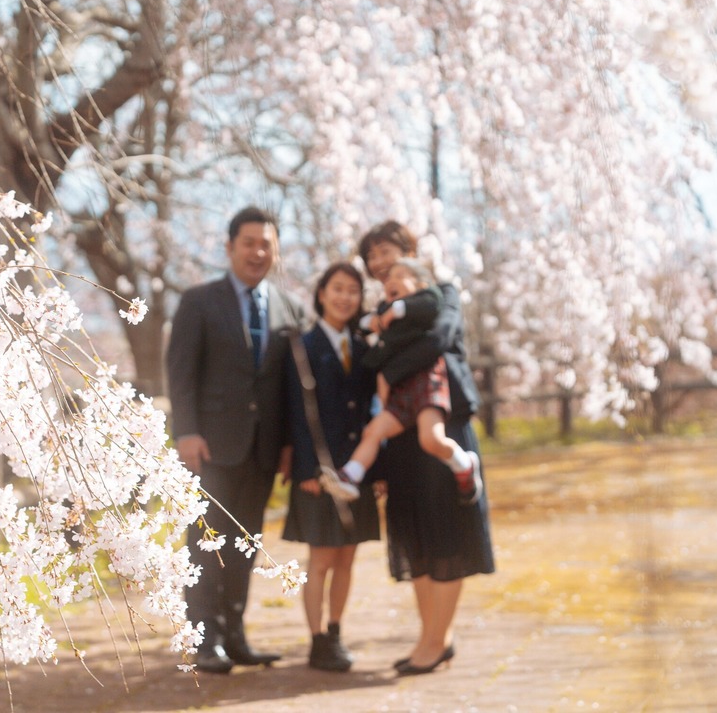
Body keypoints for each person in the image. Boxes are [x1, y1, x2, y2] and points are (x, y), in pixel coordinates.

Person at [166, 206, 305, 674]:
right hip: (209, 449)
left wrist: (288, 445)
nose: (258, 252)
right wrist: (185, 431)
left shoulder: (289, 308)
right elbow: (180, 372)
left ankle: (236, 635)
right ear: (230, 248)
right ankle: (204, 640)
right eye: (249, 242)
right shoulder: (199, 302)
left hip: (263, 451)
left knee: (245, 546)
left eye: (266, 244)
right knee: (206, 545)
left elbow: (288, 388)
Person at [356, 220, 495, 676]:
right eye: (371, 257)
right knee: (414, 533)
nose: (378, 263)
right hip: (399, 435)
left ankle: (435, 641)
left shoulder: (443, 293)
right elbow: (366, 364)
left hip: (441, 421)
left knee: (446, 530)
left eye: (385, 251)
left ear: (408, 249)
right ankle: (433, 637)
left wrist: (388, 360)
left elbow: (438, 340)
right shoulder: (382, 309)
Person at [281, 262, 381, 672]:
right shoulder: (301, 346)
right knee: (320, 558)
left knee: (347, 559)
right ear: (321, 293)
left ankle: (337, 633)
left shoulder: (363, 349)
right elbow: (293, 413)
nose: (345, 298)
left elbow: (371, 414)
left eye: (353, 291)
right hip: (317, 472)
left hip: (356, 471)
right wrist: (305, 470)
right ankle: (317, 640)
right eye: (337, 288)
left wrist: (376, 473)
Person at [339, 259, 482, 505]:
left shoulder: (426, 301)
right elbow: (366, 326)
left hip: (427, 382)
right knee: (374, 431)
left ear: (420, 283)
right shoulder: (385, 312)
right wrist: (370, 323)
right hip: (399, 390)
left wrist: (399, 309)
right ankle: (350, 476)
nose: (391, 281)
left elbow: (430, 303)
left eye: (400, 275)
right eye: (388, 279)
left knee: (431, 439)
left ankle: (465, 464)